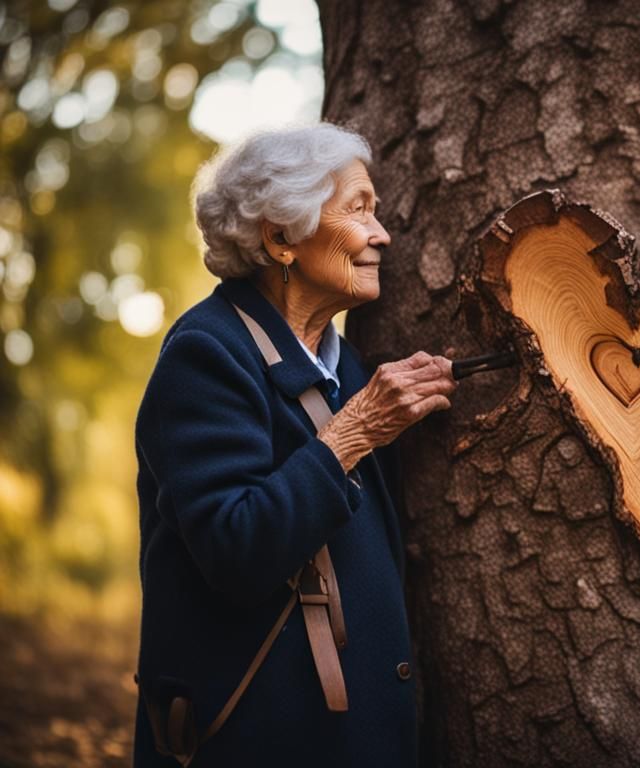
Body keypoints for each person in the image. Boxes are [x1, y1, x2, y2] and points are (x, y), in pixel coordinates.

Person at [133, 123, 455, 766]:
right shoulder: (206, 355)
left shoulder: (353, 369)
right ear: (281, 238)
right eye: (358, 209)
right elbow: (236, 548)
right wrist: (356, 430)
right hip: (257, 740)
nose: (382, 235)